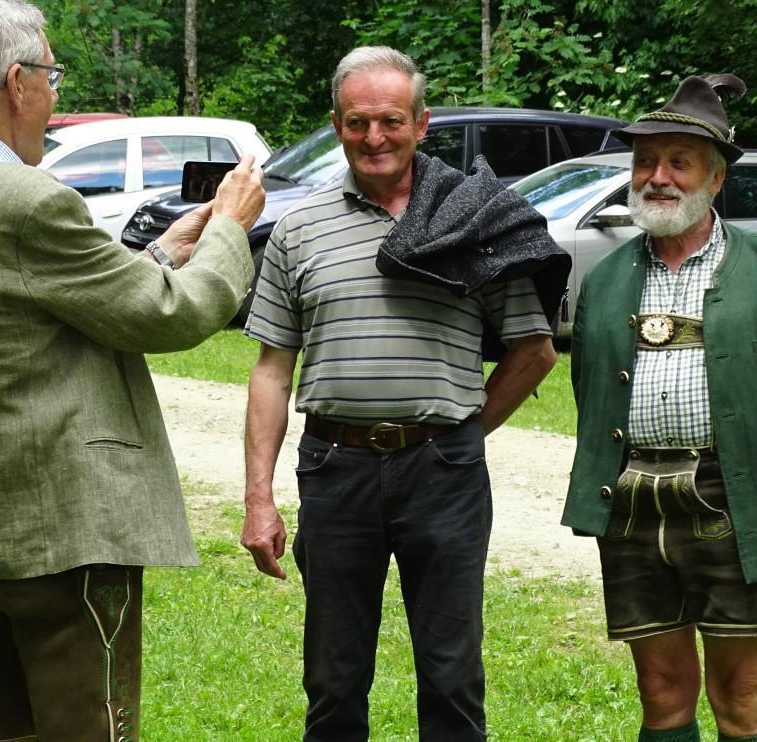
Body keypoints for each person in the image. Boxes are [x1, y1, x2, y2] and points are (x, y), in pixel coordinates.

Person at [240, 46, 563, 741]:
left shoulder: (473, 221)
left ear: (422, 123)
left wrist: (461, 433)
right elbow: (271, 369)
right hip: (335, 470)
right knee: (333, 678)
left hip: (443, 474)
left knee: (451, 676)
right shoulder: (299, 229)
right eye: (357, 122)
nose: (374, 137)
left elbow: (534, 350)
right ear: (336, 125)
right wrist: (258, 499)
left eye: (390, 120)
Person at [0, 1, 265, 740]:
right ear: (16, 83)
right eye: (53, 75)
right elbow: (172, 315)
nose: (54, 94)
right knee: (88, 726)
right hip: (60, 528)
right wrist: (229, 229)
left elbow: (33, 300)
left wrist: (160, 252)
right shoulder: (25, 199)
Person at [561, 73, 757, 742]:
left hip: (732, 502)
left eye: (678, 162)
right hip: (631, 503)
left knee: (739, 694)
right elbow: (590, 391)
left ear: (716, 178)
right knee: (660, 691)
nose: (657, 177)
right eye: (645, 162)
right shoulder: (606, 279)